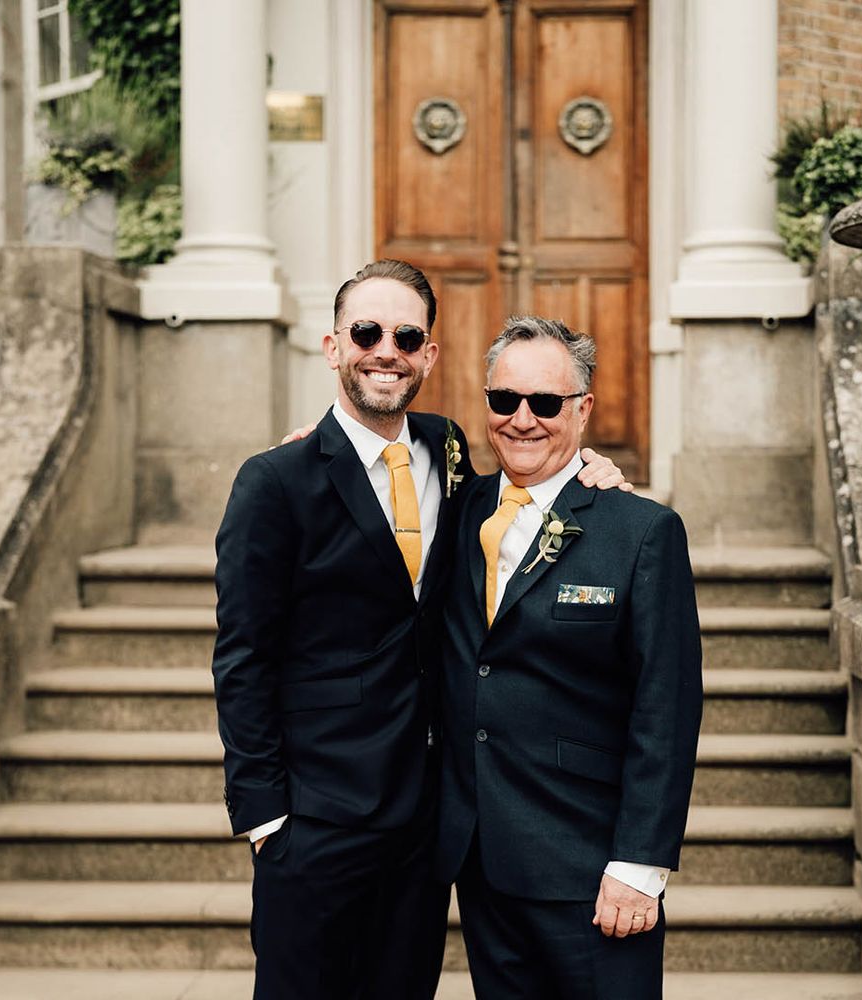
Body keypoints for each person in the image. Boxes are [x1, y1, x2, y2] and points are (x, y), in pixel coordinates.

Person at [211, 261, 628, 1000]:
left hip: (422, 824)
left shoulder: (451, 447)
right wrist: (266, 816)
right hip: (316, 818)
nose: (386, 350)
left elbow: (533, 476)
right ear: (333, 346)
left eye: (407, 335)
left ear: (429, 354)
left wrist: (591, 468)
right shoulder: (275, 481)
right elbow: (243, 655)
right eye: (365, 332)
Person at [437, 316, 703, 1000]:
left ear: (583, 410)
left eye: (546, 403)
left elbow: (665, 710)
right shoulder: (457, 512)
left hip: (590, 866)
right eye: (505, 401)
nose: (523, 420)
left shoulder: (641, 532)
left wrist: (640, 865)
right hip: (482, 862)